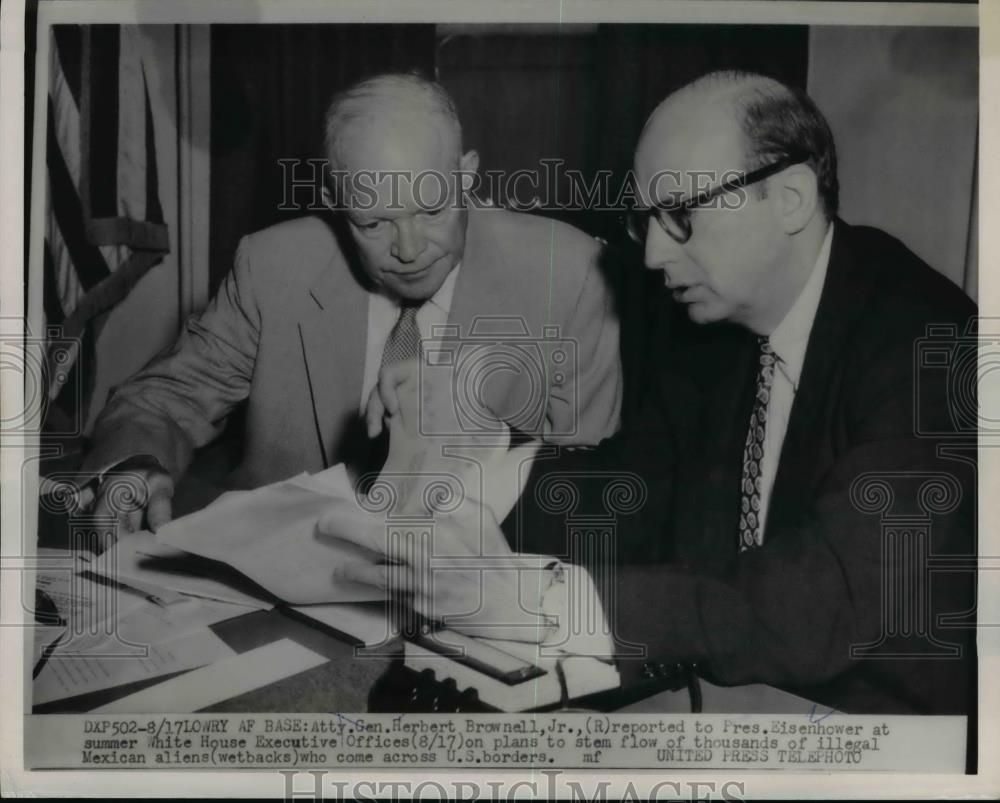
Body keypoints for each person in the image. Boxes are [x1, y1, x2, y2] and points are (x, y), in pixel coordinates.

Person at [354, 71, 977, 715]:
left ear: (790, 197)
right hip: (735, 692)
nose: (652, 254)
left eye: (680, 214)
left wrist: (538, 602)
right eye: (646, 219)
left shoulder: (933, 342)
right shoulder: (716, 331)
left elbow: (827, 597)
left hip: (878, 726)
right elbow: (630, 492)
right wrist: (467, 452)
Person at [77, 72, 622, 537]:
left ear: (467, 174)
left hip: (470, 588)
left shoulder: (567, 274)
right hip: (280, 582)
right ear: (338, 205)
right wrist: (137, 464)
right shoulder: (272, 266)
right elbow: (164, 398)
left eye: (432, 210)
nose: (408, 251)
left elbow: (587, 483)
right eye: (374, 222)